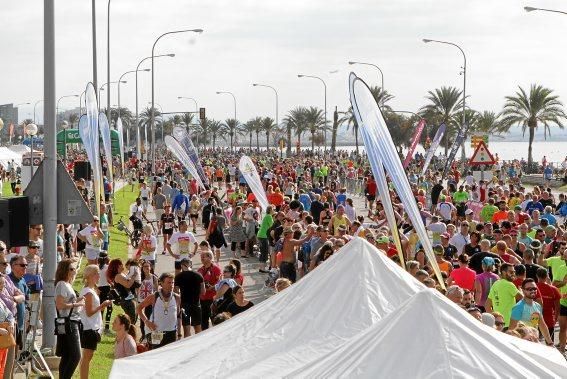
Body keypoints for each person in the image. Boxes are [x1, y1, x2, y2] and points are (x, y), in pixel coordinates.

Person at [79, 265, 112, 379]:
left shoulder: (91, 290)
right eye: (97, 273)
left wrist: (101, 307)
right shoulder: (88, 292)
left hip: (93, 327)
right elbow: (89, 312)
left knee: (88, 357)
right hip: (89, 328)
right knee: (87, 357)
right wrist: (102, 306)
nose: (99, 276)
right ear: (91, 276)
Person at [55, 259, 84, 379]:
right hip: (69, 322)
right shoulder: (61, 284)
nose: (74, 271)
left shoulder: (67, 284)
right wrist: (77, 304)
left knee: (67, 355)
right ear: (64, 270)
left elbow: (66, 303)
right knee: (76, 356)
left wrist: (78, 300)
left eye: (74, 268)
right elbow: (60, 305)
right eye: (71, 269)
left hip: (71, 321)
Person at [136, 273, 180, 349]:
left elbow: (178, 315)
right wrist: (146, 321)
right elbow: (139, 308)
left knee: (170, 355)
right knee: (156, 354)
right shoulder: (154, 296)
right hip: (156, 332)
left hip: (171, 332)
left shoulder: (177, 297)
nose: (171, 285)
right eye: (169, 282)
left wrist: (178, 333)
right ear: (161, 283)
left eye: (172, 282)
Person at [508, 278, 554, 346]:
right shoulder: (518, 307)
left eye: (534, 288)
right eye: (529, 289)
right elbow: (511, 330)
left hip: (534, 343)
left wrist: (550, 343)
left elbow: (542, 325)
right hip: (522, 344)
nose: (533, 291)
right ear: (523, 290)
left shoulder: (537, 306)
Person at [485, 263, 523, 327]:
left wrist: (494, 319)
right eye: (511, 272)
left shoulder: (495, 284)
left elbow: (487, 305)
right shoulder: (509, 284)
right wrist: (521, 290)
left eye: (514, 272)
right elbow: (524, 299)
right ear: (503, 272)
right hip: (509, 324)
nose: (513, 274)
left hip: (497, 325)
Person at [175, 258, 205, 337]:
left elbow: (176, 292)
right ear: (190, 264)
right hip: (196, 303)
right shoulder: (198, 275)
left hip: (185, 305)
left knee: (186, 329)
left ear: (181, 265)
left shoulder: (178, 277)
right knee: (198, 328)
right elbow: (203, 292)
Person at [106, 259, 137, 323]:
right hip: (126, 300)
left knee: (132, 318)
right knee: (131, 320)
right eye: (121, 264)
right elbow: (128, 285)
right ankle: (129, 331)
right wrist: (134, 275)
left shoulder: (121, 274)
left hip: (128, 299)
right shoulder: (118, 276)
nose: (122, 265)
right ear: (117, 266)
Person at [535, 267, 561, 343]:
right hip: (549, 320)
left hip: (535, 319)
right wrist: (555, 319)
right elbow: (558, 307)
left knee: (535, 343)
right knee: (549, 343)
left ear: (537, 275)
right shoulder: (554, 289)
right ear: (547, 276)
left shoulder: (533, 288)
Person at [197, 251, 221, 330]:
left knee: (215, 320)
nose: (202, 258)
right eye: (201, 257)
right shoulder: (200, 270)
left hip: (212, 299)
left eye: (204, 256)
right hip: (202, 299)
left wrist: (212, 287)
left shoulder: (216, 269)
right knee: (203, 321)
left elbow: (220, 283)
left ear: (210, 258)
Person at [138, 261, 159, 339]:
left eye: (148, 266)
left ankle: (149, 335)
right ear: (142, 268)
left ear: (151, 267)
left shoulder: (154, 278)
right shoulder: (139, 277)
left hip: (150, 302)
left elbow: (156, 291)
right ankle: (143, 335)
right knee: (142, 320)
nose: (146, 268)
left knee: (150, 318)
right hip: (141, 302)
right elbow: (137, 289)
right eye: (144, 266)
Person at [0, 275, 15, 377]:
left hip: (5, 338)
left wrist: (11, 323)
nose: (3, 286)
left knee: (4, 369)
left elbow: (9, 314)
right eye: (1, 284)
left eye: (3, 284)